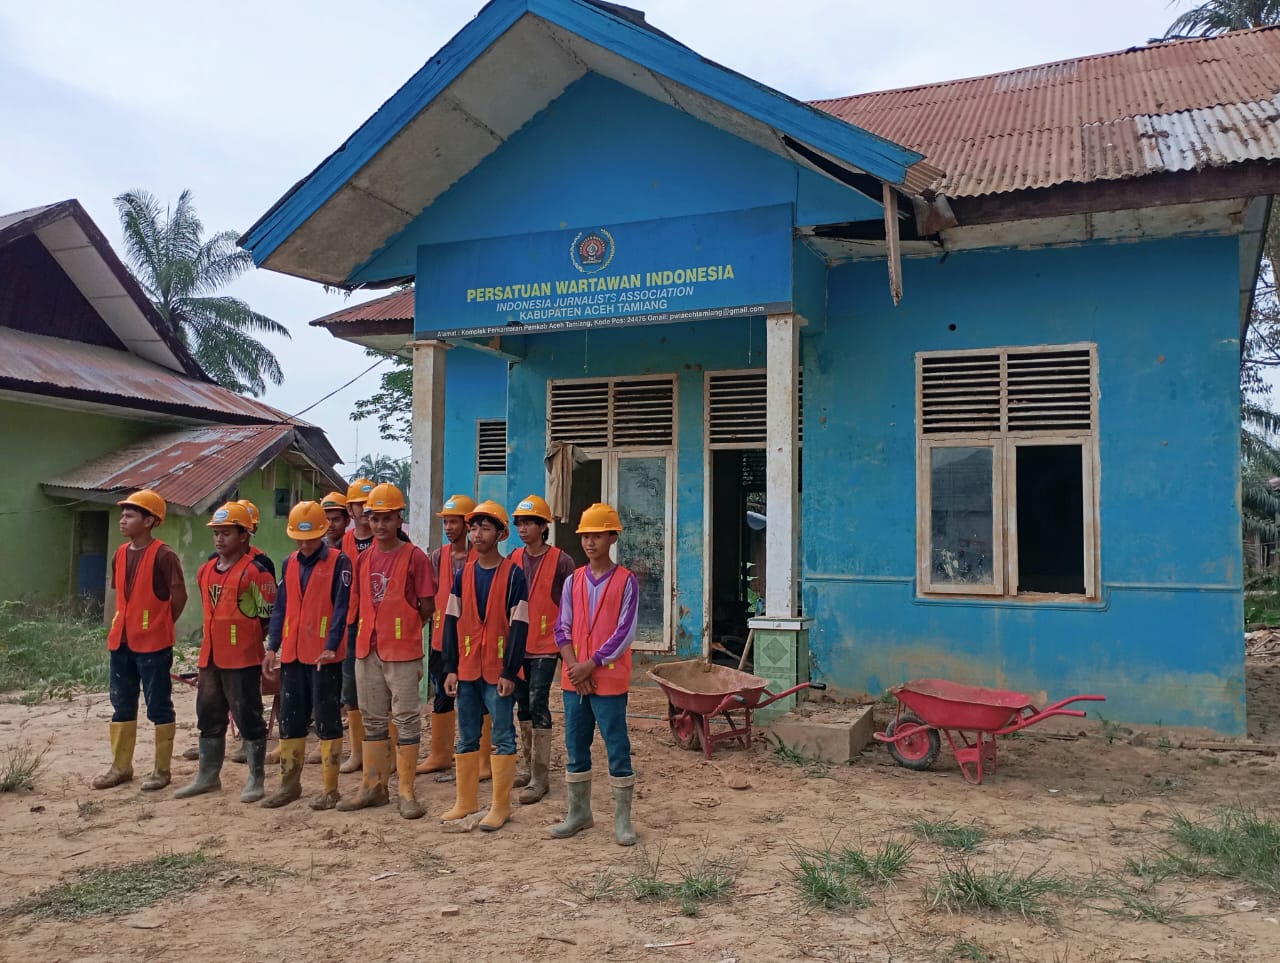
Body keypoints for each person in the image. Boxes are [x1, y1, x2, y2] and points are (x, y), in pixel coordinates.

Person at [338, 483, 435, 819]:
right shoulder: (363, 559)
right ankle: (373, 786)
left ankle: (406, 790)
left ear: (399, 519)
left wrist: (405, 627)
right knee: (373, 718)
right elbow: (358, 604)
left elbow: (426, 605)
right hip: (368, 648)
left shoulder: (415, 557)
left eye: (386, 518)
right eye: (374, 518)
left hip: (402, 650)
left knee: (406, 718)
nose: (379, 525)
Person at [551, 502, 639, 846]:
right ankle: (579, 813)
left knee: (616, 745)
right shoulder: (573, 580)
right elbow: (562, 627)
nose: (590, 542)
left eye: (597, 535)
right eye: (586, 535)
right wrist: (575, 667)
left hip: (608, 678)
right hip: (575, 679)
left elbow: (625, 632)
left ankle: (622, 819)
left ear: (612, 538)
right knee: (576, 745)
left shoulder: (626, 580)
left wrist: (592, 663)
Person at [175, 502, 276, 803]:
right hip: (211, 657)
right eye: (217, 533)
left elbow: (267, 617)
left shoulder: (257, 572)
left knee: (249, 716)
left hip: (243, 658)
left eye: (226, 533)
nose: (219, 539)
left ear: (244, 536)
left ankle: (256, 779)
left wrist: (249, 639)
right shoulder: (206, 571)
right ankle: (207, 776)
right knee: (208, 715)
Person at [440, 501, 529, 832]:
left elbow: (520, 625)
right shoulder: (463, 575)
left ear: (501, 534)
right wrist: (450, 667)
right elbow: (450, 621)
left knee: (503, 737)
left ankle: (500, 806)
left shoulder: (514, 576)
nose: (477, 534)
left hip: (498, 671)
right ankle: (466, 802)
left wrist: (510, 671)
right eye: (474, 527)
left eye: (485, 528)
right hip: (466, 669)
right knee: (467, 738)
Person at [93, 490, 187, 792]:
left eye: (130, 515)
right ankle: (121, 767)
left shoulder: (164, 555)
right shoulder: (119, 554)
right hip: (121, 641)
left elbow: (179, 597)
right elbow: (119, 596)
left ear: (149, 521)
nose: (123, 519)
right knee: (121, 704)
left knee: (158, 705)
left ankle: (162, 771)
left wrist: (160, 625)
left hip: (154, 645)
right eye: (123, 514)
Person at [260, 501, 353, 809]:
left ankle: (330, 789)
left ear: (323, 532)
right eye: (299, 538)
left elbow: (342, 607)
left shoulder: (340, 562)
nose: (304, 543)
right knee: (290, 719)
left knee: (327, 719)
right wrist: (273, 646)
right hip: (293, 654)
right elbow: (282, 608)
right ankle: (289, 784)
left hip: (324, 657)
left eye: (311, 537)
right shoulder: (289, 563)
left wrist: (332, 643)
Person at [508, 494, 574, 804]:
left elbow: (569, 606)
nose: (522, 528)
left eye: (529, 522)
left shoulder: (562, 561)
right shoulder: (513, 559)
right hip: (518, 643)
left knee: (538, 702)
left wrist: (567, 643)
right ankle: (526, 764)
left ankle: (540, 775)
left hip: (547, 644)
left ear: (543, 526)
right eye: (519, 522)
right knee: (521, 704)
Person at [416, 493, 475, 777]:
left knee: (474, 698)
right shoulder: (437, 558)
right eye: (446, 522)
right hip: (442, 639)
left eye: (454, 522)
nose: (449, 527)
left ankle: (474, 755)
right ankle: (440, 754)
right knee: (442, 695)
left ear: (468, 524)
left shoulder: (479, 557)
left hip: (474, 641)